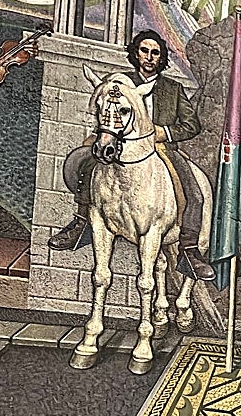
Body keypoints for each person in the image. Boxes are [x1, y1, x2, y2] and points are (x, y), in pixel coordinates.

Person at [48, 30, 215, 282]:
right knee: (87, 162)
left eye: (155, 53)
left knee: (193, 190)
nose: (149, 57)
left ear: (162, 57)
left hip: (161, 148)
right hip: (118, 144)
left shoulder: (173, 88)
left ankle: (189, 250)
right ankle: (81, 222)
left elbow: (192, 125)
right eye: (144, 51)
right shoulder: (118, 82)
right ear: (136, 52)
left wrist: (164, 131)